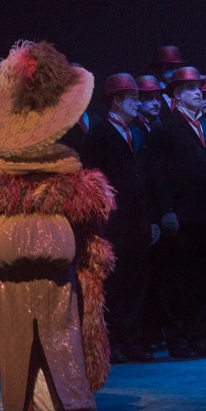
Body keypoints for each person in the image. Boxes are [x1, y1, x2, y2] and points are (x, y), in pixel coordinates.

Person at [0, 40, 114, 411]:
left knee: (18, 331)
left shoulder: (6, 174)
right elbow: (90, 215)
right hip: (50, 265)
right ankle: (63, 407)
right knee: (57, 327)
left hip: (11, 264)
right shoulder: (68, 178)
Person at [146, 65, 206, 358]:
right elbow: (157, 175)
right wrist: (166, 210)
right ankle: (178, 340)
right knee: (179, 281)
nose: (197, 93)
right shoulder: (165, 129)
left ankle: (198, 336)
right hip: (184, 216)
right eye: (190, 89)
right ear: (176, 95)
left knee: (205, 281)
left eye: (198, 88)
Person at [80, 74, 159, 363]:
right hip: (114, 221)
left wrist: (153, 218)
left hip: (139, 220)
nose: (138, 103)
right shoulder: (99, 135)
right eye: (133, 98)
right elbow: (92, 179)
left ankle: (134, 341)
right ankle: (114, 343)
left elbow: (148, 178)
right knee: (116, 284)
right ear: (116, 100)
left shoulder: (138, 133)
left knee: (138, 283)